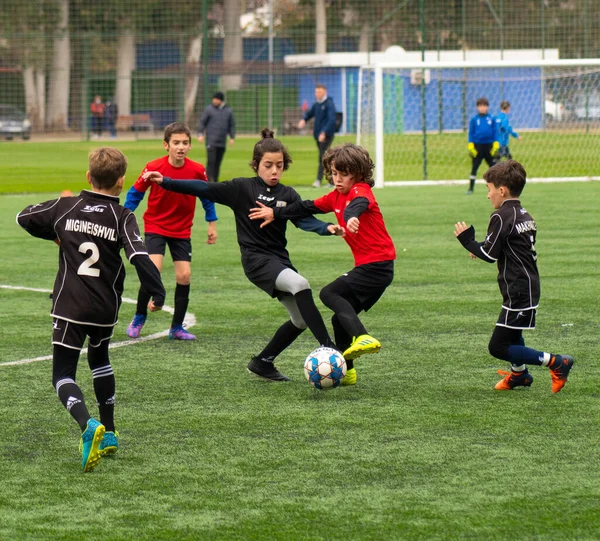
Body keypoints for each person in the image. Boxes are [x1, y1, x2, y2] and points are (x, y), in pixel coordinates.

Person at [144, 128, 343, 382]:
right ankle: (329, 347)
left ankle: (262, 362)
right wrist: (167, 182)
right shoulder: (241, 188)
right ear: (256, 165)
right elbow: (203, 188)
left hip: (279, 261)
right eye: (268, 165)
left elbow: (305, 221)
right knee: (300, 284)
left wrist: (327, 228)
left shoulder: (287, 195)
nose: (274, 171)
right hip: (256, 261)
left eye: (279, 166)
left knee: (300, 319)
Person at [16, 147, 166, 472]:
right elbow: (139, 256)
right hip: (104, 307)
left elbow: (24, 218)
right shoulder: (123, 216)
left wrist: (57, 232)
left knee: (62, 374)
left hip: (70, 306)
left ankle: (88, 424)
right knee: (100, 360)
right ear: (122, 181)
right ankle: (110, 432)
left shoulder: (66, 207)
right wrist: (157, 289)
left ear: (88, 176)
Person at [249, 143, 396, 386]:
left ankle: (363, 336)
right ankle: (347, 371)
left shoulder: (360, 190)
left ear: (359, 173)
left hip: (378, 265)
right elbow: (305, 207)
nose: (338, 179)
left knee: (330, 293)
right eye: (335, 173)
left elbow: (357, 206)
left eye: (345, 174)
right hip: (374, 267)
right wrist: (276, 212)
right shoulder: (335, 196)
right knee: (339, 318)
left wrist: (351, 218)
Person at [453, 160, 573, 393]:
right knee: (513, 333)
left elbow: (489, 254)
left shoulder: (500, 216)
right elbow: (502, 247)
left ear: (501, 190)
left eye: (488, 189)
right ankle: (519, 376)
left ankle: (557, 362)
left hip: (518, 289)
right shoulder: (524, 214)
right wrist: (479, 246)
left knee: (497, 347)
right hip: (527, 285)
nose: (488, 195)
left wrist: (466, 240)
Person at [124, 122, 218, 341]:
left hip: (182, 229)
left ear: (190, 146)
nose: (181, 147)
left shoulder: (196, 170)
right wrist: (125, 215)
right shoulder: (153, 167)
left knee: (184, 275)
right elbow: (135, 192)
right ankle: (139, 316)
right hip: (156, 225)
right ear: (166, 145)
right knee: (153, 271)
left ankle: (177, 327)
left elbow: (207, 196)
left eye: (185, 143)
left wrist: (211, 223)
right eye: (176, 143)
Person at [298, 84, 337, 188]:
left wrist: (324, 132)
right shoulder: (316, 104)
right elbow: (310, 113)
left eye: (319, 92)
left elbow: (332, 120)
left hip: (326, 135)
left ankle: (321, 180)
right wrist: (304, 120)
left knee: (323, 157)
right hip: (318, 136)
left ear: (324, 92)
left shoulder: (329, 104)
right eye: (316, 92)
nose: (317, 94)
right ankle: (330, 180)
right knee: (325, 157)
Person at [197, 91, 235, 183]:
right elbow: (203, 122)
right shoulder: (209, 109)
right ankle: (209, 181)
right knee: (211, 162)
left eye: (216, 99)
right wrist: (200, 134)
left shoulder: (228, 111)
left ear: (221, 100)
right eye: (213, 99)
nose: (214, 101)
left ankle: (216, 181)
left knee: (218, 163)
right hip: (211, 141)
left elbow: (231, 125)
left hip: (222, 142)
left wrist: (232, 137)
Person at [466, 97, 499, 195]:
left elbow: (495, 132)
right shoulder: (474, 119)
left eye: (484, 106)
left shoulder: (491, 118)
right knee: (474, 167)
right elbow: (471, 133)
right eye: (480, 106)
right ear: (477, 107)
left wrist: (496, 143)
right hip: (478, 147)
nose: (482, 108)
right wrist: (470, 145)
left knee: (494, 169)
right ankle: (471, 188)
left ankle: (497, 188)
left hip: (489, 147)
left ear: (487, 107)